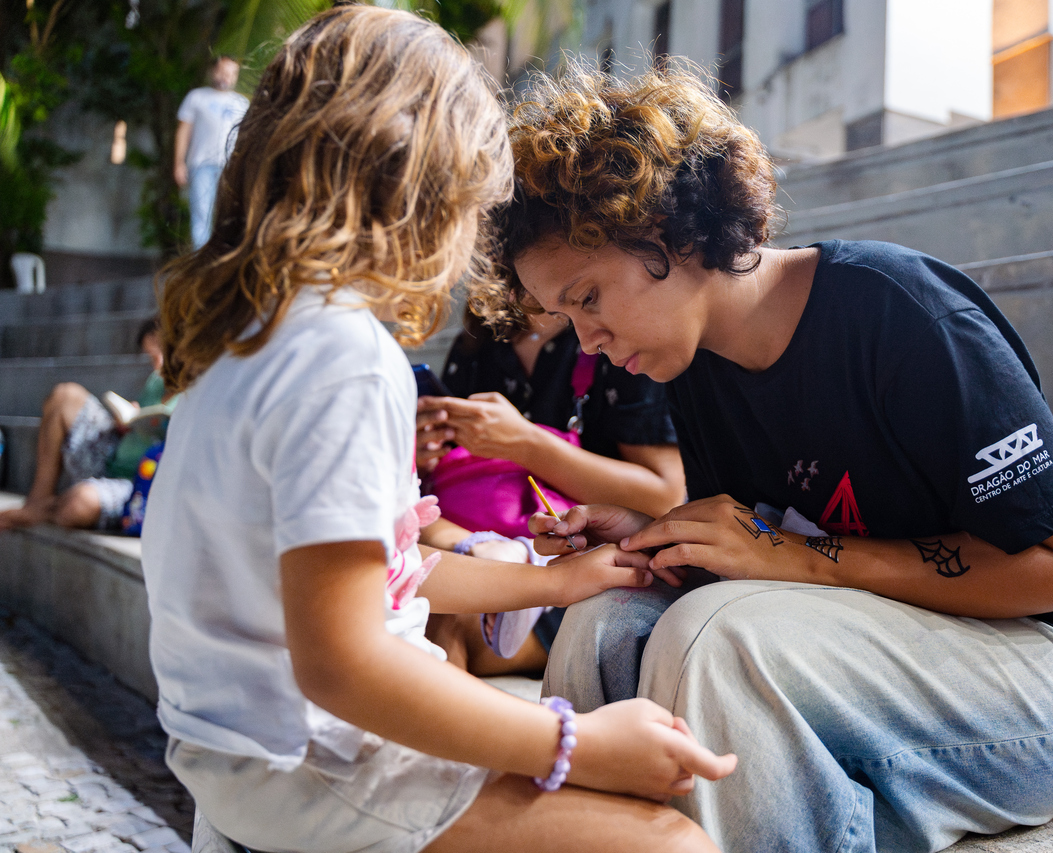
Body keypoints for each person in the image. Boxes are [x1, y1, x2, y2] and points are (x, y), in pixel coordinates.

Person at [472, 65, 1053, 853]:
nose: (585, 338)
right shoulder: (693, 369)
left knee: (717, 639)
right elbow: (775, 558)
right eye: (565, 315)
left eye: (589, 296)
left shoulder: (896, 310)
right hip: (888, 649)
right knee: (603, 622)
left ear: (672, 229)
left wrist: (799, 557)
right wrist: (659, 537)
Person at [141, 10, 733, 853]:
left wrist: (555, 583)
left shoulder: (247, 343)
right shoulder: (341, 356)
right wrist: (576, 742)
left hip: (235, 763)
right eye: (474, 207)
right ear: (424, 187)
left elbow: (384, 574)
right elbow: (343, 660)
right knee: (674, 845)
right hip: (319, 767)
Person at [418, 307, 685, 675]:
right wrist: (422, 454)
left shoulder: (623, 336)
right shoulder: (479, 341)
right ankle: (480, 548)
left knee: (445, 618)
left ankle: (492, 554)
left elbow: (665, 500)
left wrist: (525, 443)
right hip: (472, 540)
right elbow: (445, 479)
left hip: (580, 562)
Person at [0, 318, 172, 531]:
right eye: (151, 357)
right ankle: (38, 500)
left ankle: (46, 510)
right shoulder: (156, 381)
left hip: (138, 483)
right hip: (115, 453)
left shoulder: (198, 392)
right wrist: (127, 421)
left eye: (162, 355)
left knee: (79, 504)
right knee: (65, 396)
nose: (157, 364)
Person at [173, 56, 248, 249]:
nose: (226, 76)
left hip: (230, 167)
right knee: (201, 215)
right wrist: (179, 163)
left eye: (231, 73)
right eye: (223, 71)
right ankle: (201, 261)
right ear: (214, 71)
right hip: (201, 165)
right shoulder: (196, 97)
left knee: (229, 216)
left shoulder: (242, 103)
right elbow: (183, 132)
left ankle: (222, 260)